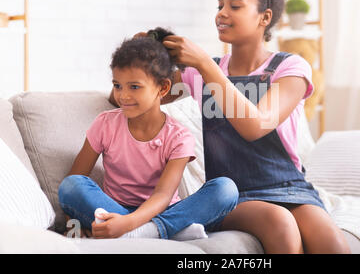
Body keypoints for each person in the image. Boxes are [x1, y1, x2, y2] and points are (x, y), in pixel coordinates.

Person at [143, 0, 350, 254]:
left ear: (264, 17)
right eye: (220, 5)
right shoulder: (201, 72)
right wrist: (145, 52)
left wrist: (205, 65)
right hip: (229, 194)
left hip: (288, 186)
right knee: (280, 223)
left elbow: (256, 125)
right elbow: (140, 93)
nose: (221, 13)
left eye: (234, 6)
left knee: (333, 244)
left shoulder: (290, 68)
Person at [58, 27, 239, 240]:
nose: (123, 95)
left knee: (225, 189)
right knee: (71, 186)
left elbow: (163, 195)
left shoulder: (178, 137)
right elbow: (75, 178)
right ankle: (166, 231)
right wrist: (80, 223)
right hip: (113, 207)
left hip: (161, 209)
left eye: (134, 87)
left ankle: (142, 232)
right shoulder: (105, 123)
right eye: (118, 85)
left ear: (163, 89)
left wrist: (127, 224)